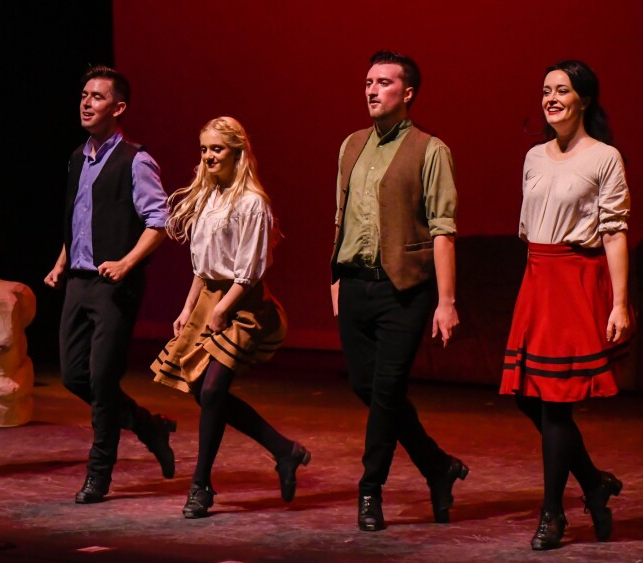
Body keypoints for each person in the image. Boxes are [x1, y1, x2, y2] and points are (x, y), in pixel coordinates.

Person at [330, 51, 468, 531]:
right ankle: (437, 466)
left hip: (403, 290)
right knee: (364, 386)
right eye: (368, 81)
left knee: (387, 390)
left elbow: (443, 229)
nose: (371, 90)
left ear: (406, 94)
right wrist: (335, 278)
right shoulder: (351, 146)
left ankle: (370, 490)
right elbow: (341, 217)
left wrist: (446, 302)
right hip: (354, 285)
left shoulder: (430, 150)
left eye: (384, 82)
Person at [500, 60, 629, 551]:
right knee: (526, 395)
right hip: (538, 277)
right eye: (546, 90)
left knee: (555, 405)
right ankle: (594, 483)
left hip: (576, 278)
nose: (551, 98)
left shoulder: (604, 158)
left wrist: (620, 303)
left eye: (562, 90)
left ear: (584, 99)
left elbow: (614, 232)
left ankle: (553, 514)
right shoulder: (534, 157)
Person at [152, 117, 308, 519]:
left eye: (217, 149)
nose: (208, 157)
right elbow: (202, 268)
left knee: (212, 391)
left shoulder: (251, 202)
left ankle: (200, 486)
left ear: (237, 152)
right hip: (210, 300)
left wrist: (221, 310)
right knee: (204, 390)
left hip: (243, 303)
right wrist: (189, 309)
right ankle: (284, 450)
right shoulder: (209, 197)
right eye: (204, 149)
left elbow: (250, 270)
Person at [44, 65, 176, 504]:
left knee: (101, 380)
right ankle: (145, 425)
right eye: (83, 94)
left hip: (113, 285)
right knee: (74, 376)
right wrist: (61, 262)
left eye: (97, 97)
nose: (86, 102)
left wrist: (127, 262)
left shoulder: (135, 160)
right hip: (78, 281)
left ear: (118, 108)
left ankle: (98, 474)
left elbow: (160, 221)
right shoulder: (76, 157)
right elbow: (77, 220)